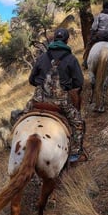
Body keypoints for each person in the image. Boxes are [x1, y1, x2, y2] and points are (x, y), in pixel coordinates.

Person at [24, 27, 87, 164]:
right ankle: (75, 154)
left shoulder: (41, 57)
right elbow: (79, 82)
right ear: (66, 40)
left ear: (53, 40)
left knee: (20, 117)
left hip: (38, 100)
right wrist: (66, 86)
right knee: (78, 123)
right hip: (61, 102)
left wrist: (42, 85)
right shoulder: (71, 59)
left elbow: (31, 80)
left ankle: (13, 142)